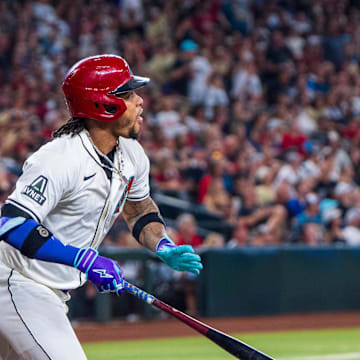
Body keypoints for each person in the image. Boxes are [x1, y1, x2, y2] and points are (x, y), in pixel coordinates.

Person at [0, 54, 202, 360]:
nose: (140, 101)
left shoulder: (132, 154)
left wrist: (161, 245)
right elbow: (11, 224)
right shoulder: (59, 158)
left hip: (48, 291)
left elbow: (139, 209)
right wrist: (82, 258)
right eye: (129, 94)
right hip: (15, 281)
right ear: (104, 104)